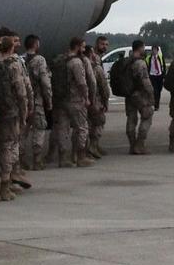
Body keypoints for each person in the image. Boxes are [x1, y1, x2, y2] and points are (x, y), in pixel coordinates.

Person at [0, 29, 33, 199]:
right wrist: (24, 111)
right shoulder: (14, 64)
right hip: (9, 111)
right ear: (12, 47)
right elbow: (21, 92)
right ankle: (5, 187)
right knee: (8, 147)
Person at [57, 37, 93, 166]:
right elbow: (82, 83)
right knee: (82, 128)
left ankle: (63, 158)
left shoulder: (62, 59)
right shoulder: (76, 62)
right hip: (75, 100)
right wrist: (87, 98)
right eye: (82, 47)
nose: (83, 50)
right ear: (77, 47)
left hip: (62, 99)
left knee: (63, 129)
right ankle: (81, 157)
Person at [120, 39, 156, 153]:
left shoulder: (127, 61)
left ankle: (132, 145)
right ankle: (140, 144)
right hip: (140, 94)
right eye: (143, 48)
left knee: (131, 119)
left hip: (129, 94)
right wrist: (152, 95)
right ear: (140, 48)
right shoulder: (140, 63)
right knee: (147, 116)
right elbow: (145, 81)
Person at [23, 34, 52, 170]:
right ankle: (37, 159)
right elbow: (45, 82)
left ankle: (19, 158)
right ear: (36, 45)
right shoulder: (39, 60)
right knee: (39, 127)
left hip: (22, 100)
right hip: (36, 99)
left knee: (22, 130)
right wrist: (49, 99)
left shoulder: (20, 59)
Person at [86, 37, 112, 158]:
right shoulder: (94, 61)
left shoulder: (94, 59)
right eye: (102, 44)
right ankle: (92, 147)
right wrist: (105, 100)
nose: (105, 47)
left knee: (91, 123)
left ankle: (93, 146)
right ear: (97, 44)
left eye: (106, 44)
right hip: (94, 98)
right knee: (98, 122)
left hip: (88, 97)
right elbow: (102, 85)